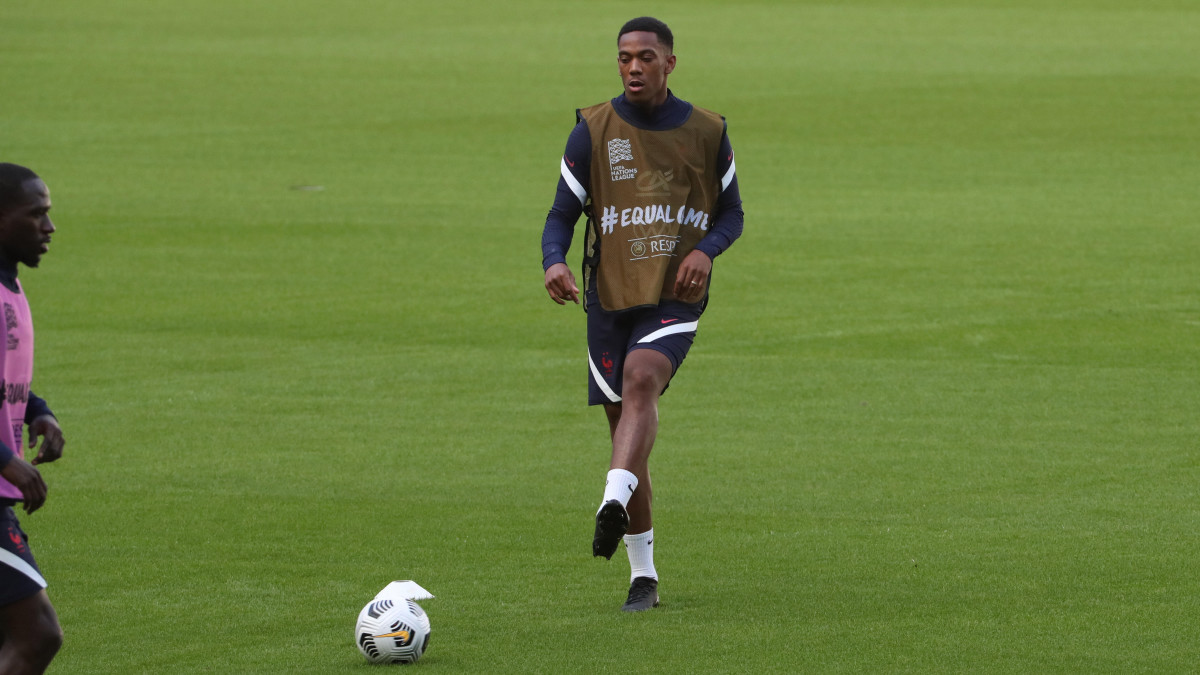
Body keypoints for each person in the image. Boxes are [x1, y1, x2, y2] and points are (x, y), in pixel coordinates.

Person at [540, 17, 743, 612]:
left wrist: (706, 250)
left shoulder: (707, 131)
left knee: (641, 380)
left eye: (646, 57)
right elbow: (560, 215)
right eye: (625, 57)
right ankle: (643, 578)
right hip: (609, 296)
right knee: (627, 434)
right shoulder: (593, 130)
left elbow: (732, 213)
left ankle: (610, 499)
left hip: (675, 293)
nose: (634, 66)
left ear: (669, 64)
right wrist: (554, 262)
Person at [0, 163, 66, 674]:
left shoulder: (11, 288)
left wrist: (36, 411)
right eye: (36, 215)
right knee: (37, 634)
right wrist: (8, 462)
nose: (50, 227)